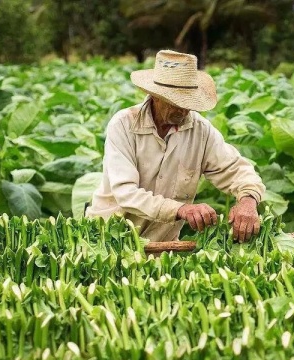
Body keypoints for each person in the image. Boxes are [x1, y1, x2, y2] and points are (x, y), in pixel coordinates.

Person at [86, 50, 265, 243]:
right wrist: (181, 209)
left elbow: (235, 169)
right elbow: (125, 193)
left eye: (188, 102)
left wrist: (248, 200)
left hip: (162, 244)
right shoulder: (124, 124)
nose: (183, 109)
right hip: (108, 241)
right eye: (175, 101)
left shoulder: (200, 130)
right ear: (155, 96)